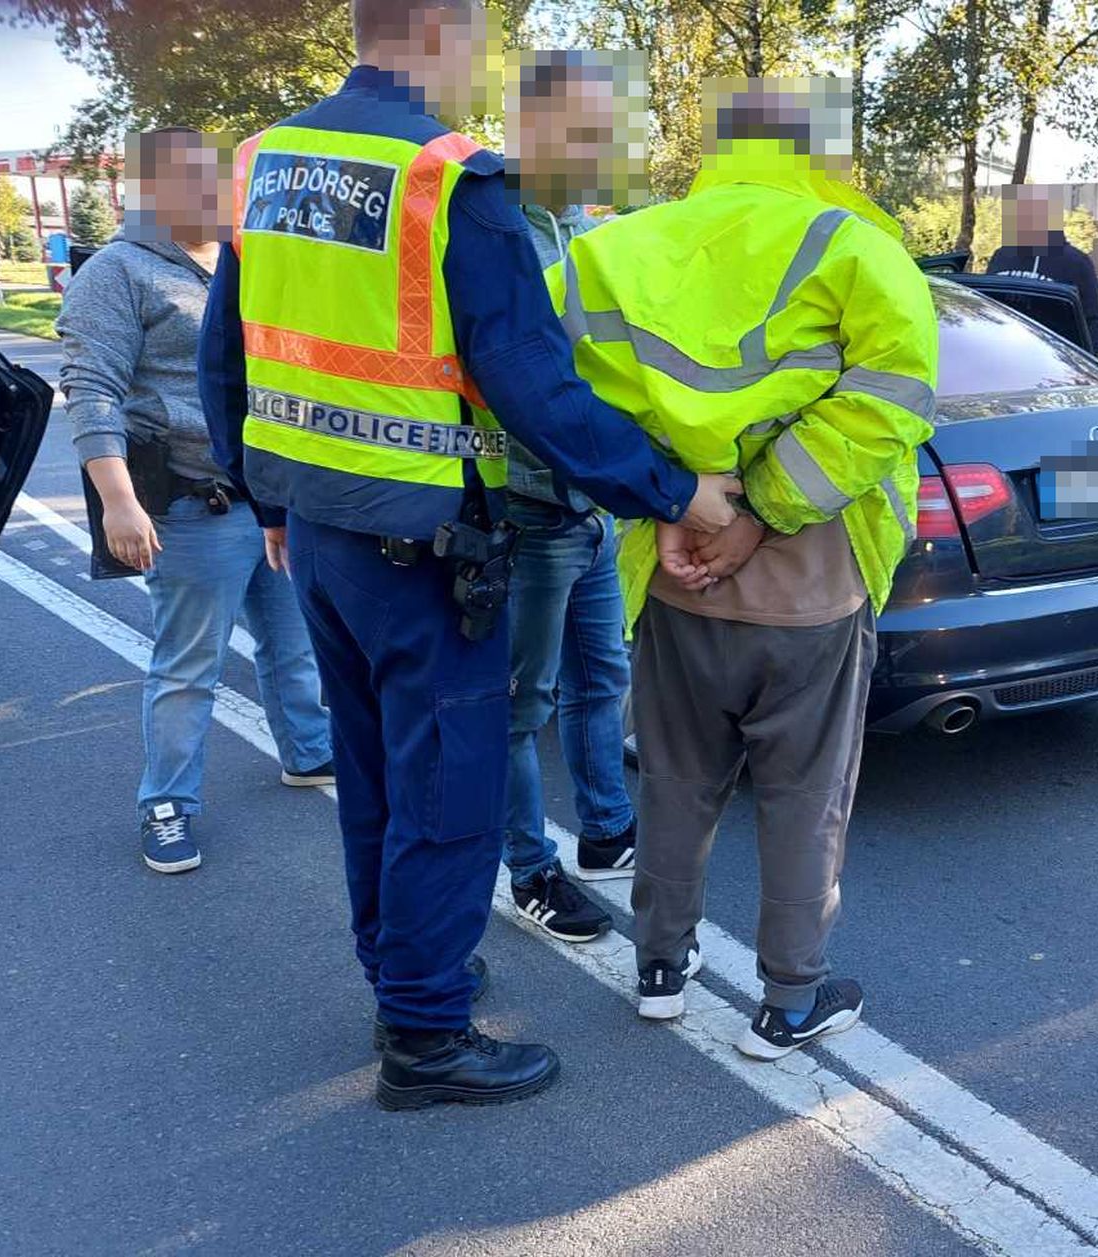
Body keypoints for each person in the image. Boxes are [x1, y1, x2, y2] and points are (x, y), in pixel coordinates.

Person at [198, 0, 739, 1110]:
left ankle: (400, 972)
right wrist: (677, 491)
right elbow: (530, 382)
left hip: (320, 531)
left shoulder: (269, 161)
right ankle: (426, 1038)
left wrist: (259, 491)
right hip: (423, 546)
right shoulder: (452, 180)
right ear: (439, 37)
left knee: (374, 780)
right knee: (444, 791)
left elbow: (229, 349)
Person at [546, 77, 938, 1061]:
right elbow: (891, 401)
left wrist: (674, 504)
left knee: (674, 783)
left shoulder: (610, 252)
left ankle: (658, 972)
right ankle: (787, 1001)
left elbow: (574, 405)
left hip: (678, 570)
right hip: (810, 584)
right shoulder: (852, 247)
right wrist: (761, 511)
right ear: (824, 150)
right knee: (805, 795)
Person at [58, 127, 334, 876]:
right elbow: (92, 391)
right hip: (189, 506)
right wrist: (117, 500)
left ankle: (307, 750)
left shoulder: (245, 260)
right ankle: (166, 805)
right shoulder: (117, 273)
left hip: (270, 496)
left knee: (294, 641)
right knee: (188, 666)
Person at [494, 49, 653, 946]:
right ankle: (531, 869)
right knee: (524, 702)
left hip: (591, 507)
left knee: (605, 678)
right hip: (525, 509)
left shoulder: (583, 226)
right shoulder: (491, 219)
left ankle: (605, 828)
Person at [985, 183, 1098, 354]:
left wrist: (1087, 365)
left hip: (1053, 360)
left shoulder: (1075, 262)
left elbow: (1094, 321)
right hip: (1001, 353)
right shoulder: (1001, 256)